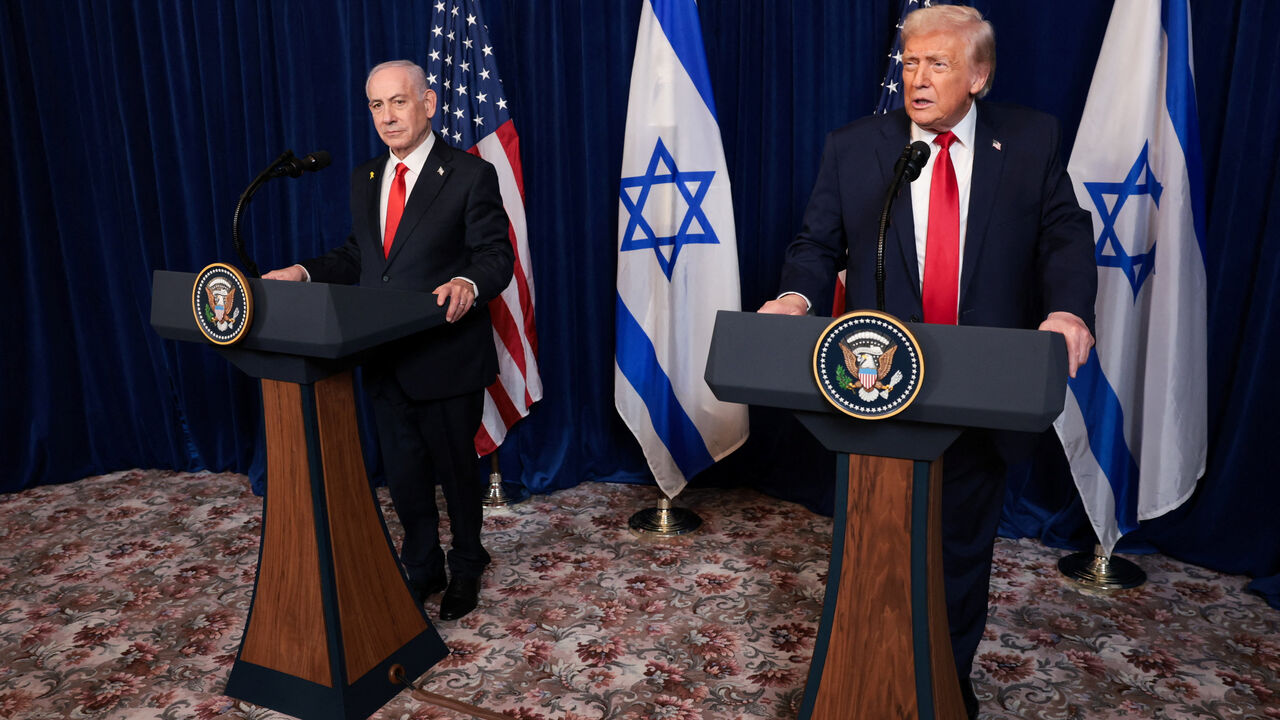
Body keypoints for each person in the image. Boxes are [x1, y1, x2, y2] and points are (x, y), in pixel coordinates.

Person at [759, 6, 1096, 717]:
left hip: (979, 387)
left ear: (978, 75)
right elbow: (817, 244)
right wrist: (794, 296)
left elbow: (1063, 236)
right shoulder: (856, 148)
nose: (917, 79)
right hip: (876, 383)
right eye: (909, 63)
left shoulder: (1030, 142)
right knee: (874, 539)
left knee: (960, 546)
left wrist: (1066, 309)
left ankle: (947, 675)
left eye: (937, 65)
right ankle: (861, 671)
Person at [264, 59, 513, 622]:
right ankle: (422, 565)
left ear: (427, 103)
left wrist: (468, 282)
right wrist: (303, 271)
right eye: (376, 105)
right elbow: (361, 257)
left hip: (446, 356)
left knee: (455, 472)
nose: (386, 116)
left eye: (398, 101)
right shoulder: (366, 178)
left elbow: (496, 255)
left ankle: (468, 561)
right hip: (383, 357)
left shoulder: (470, 174)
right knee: (403, 477)